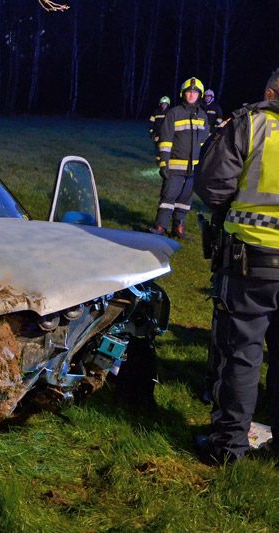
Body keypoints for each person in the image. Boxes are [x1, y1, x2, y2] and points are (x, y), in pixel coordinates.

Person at [193, 68, 279, 464]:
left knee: (241, 354)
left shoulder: (251, 124)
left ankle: (228, 447)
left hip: (251, 262)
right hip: (253, 262)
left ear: (271, 92)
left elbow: (212, 186)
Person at [150, 77, 209, 238]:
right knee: (168, 196)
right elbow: (166, 140)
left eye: (195, 92)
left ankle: (178, 227)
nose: (191, 95)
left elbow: (205, 142)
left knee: (185, 200)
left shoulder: (202, 116)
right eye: (188, 92)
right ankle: (160, 226)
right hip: (175, 166)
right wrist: (164, 163)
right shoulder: (174, 113)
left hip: (194, 168)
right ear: (183, 94)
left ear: (200, 95)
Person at [148, 96, 171, 164]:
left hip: (167, 134)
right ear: (160, 104)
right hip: (157, 133)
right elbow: (151, 123)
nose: (164, 105)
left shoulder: (170, 113)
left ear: (168, 104)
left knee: (166, 148)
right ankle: (158, 161)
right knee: (158, 148)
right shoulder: (156, 112)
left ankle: (166, 161)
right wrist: (152, 132)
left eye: (165, 104)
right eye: (162, 104)